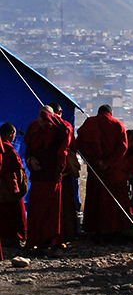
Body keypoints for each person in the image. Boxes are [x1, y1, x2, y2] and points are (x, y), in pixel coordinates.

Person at [76, 105, 131, 240]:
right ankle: (116, 231)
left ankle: (97, 231)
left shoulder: (90, 123)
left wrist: (94, 161)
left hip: (96, 170)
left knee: (97, 199)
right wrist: (109, 163)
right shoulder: (118, 124)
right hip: (113, 170)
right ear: (110, 113)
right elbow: (123, 146)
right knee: (114, 200)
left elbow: (80, 144)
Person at [23, 106, 71, 256]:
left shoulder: (59, 131)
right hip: (38, 177)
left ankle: (55, 243)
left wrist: (53, 118)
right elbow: (28, 150)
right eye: (39, 117)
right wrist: (30, 161)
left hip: (52, 177)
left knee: (53, 211)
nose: (41, 121)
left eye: (44, 118)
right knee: (37, 210)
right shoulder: (35, 131)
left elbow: (66, 137)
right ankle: (38, 242)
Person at [48, 102, 80, 243]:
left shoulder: (37, 126)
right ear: (60, 112)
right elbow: (71, 146)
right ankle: (67, 233)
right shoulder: (65, 126)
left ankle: (45, 235)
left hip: (44, 172)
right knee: (65, 204)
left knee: (46, 205)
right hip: (62, 172)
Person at [0, 123, 26, 245]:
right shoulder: (7, 148)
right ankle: (14, 237)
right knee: (14, 211)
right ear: (10, 134)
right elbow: (17, 165)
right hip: (9, 185)